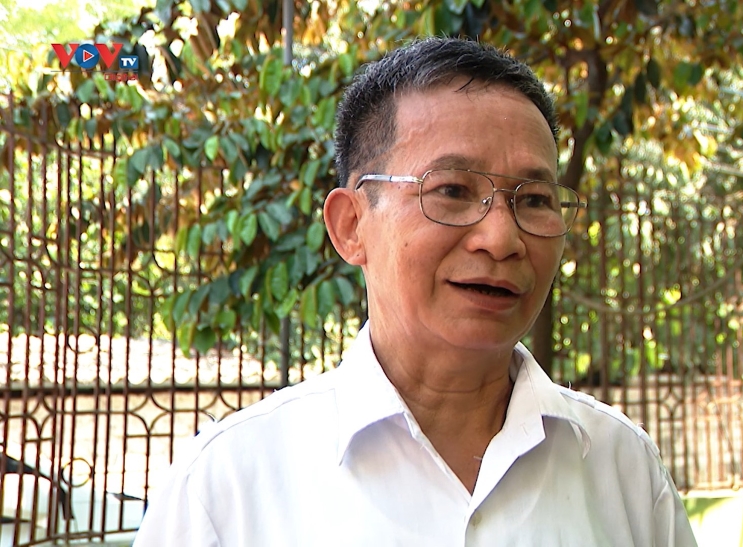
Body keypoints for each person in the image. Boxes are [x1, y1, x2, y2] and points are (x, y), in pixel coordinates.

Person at [133, 37, 697, 546]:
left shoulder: (623, 470)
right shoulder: (228, 487)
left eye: (533, 200)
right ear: (351, 226)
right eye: (451, 190)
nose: (502, 239)